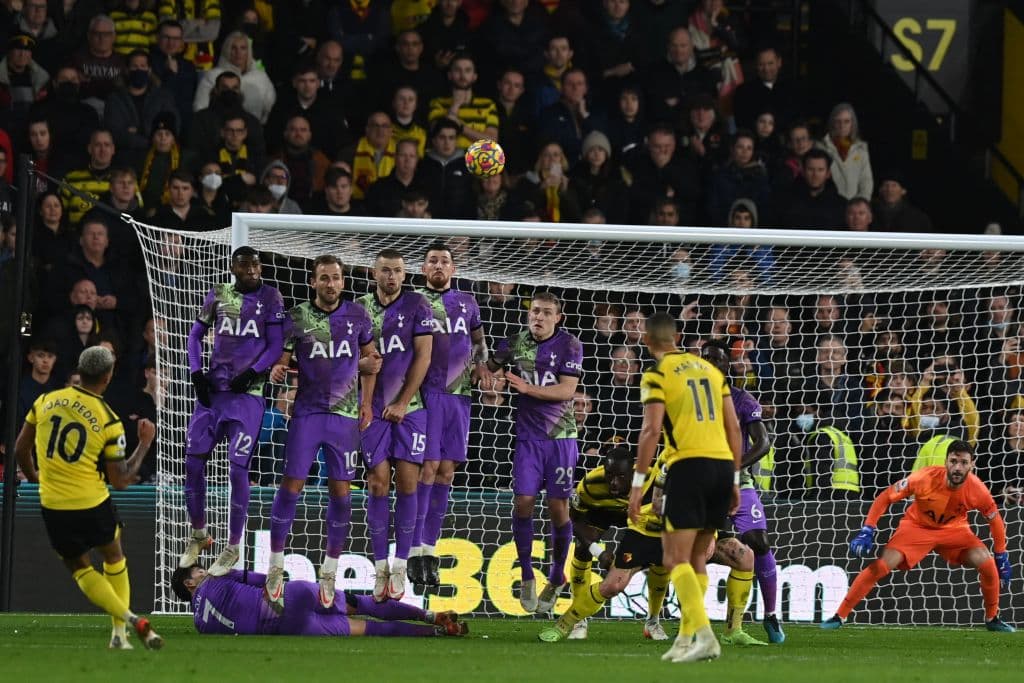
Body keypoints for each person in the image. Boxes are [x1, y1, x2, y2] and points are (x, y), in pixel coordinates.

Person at [539, 443, 764, 647]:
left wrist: (710, 536)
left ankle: (733, 630)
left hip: (684, 531)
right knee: (613, 585)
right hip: (646, 530)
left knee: (744, 557)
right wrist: (598, 551)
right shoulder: (665, 462)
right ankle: (564, 624)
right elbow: (573, 519)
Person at [14, 345, 162, 650]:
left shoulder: (45, 401)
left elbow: (19, 450)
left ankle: (130, 622)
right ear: (108, 376)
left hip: (53, 505)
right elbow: (120, 480)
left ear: (79, 371)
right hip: (92, 502)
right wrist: (145, 443)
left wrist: (34, 478)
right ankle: (120, 633)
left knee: (81, 569)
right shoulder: (108, 418)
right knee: (114, 556)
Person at [263, 255, 378, 611]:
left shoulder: (358, 316)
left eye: (336, 278)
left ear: (343, 282)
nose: (331, 284)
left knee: (341, 490)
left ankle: (329, 570)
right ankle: (275, 564)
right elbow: (281, 360)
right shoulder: (296, 317)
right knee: (291, 485)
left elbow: (373, 361)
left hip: (344, 419)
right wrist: (278, 371)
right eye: (324, 278)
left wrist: (368, 403)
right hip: (308, 414)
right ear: (313, 282)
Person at [629, 312, 742, 663]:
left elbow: (650, 431)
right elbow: (734, 428)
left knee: (673, 557)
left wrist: (637, 485)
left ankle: (704, 636)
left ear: (648, 340)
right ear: (676, 337)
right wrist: (736, 479)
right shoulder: (710, 370)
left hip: (689, 466)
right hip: (723, 466)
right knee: (697, 557)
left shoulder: (656, 374)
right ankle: (684, 639)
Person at [821, 441, 1015, 632]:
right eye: (953, 461)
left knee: (987, 563)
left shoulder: (978, 490)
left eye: (964, 462)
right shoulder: (924, 478)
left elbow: (995, 521)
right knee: (881, 566)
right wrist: (867, 529)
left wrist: (1001, 555)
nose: (957, 467)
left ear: (972, 464)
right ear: (945, 461)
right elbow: (886, 497)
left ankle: (992, 618)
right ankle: (840, 615)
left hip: (954, 530)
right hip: (917, 527)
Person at [180, 246, 285, 575]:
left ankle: (234, 545)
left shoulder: (271, 297)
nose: (252, 269)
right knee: (193, 461)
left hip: (247, 397)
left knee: (238, 469)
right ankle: (198, 533)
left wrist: (255, 373)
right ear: (233, 268)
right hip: (213, 394)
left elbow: (277, 345)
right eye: (245, 265)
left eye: (255, 263)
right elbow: (195, 335)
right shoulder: (219, 293)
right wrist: (196, 372)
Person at [486, 291, 583, 613]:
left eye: (545, 313)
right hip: (528, 438)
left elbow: (567, 390)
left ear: (558, 317)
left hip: (561, 437)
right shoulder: (513, 343)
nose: (538, 317)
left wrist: (528, 389)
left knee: (558, 508)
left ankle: (556, 576)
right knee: (524, 501)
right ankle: (527, 573)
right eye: (535, 311)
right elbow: (489, 370)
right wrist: (487, 379)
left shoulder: (569, 345)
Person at [408, 242, 487, 591]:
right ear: (424, 269)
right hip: (426, 394)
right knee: (427, 466)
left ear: (453, 269)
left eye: (444, 261)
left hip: (459, 397)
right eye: (432, 262)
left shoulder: (468, 302)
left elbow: (479, 340)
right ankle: (414, 549)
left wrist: (481, 365)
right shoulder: (412, 302)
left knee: (446, 471)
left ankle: (431, 547)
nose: (439, 266)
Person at [356, 248, 434, 602]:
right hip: (370, 409)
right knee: (376, 484)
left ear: (405, 275)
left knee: (408, 482)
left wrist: (403, 400)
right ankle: (380, 566)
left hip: (411, 408)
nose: (391, 276)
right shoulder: (357, 309)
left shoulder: (418, 305)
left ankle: (401, 564)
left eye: (397, 271)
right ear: (374, 273)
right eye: (385, 270)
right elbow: (348, 357)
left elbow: (424, 357)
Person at [701, 339, 785, 643]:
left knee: (758, 541)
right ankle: (664, 619)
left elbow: (763, 443)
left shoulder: (742, 400)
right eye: (706, 358)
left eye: (717, 359)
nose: (711, 363)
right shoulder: (690, 400)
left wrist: (734, 469)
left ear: (727, 365)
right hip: (698, 482)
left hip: (738, 480)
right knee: (689, 550)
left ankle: (771, 614)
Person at [171, 563, 467, 637]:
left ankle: (437, 632)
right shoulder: (218, 575)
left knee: (368, 630)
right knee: (361, 603)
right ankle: (428, 615)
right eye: (198, 569)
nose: (203, 569)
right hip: (293, 597)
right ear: (190, 581)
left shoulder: (200, 625)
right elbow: (266, 581)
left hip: (289, 630)